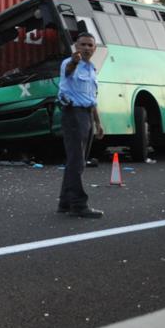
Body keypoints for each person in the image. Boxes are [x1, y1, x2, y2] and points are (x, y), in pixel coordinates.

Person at [56, 32, 105, 218]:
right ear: (76, 46)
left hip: (86, 116)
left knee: (77, 161)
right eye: (82, 44)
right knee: (76, 161)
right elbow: (68, 71)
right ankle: (78, 205)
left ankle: (65, 202)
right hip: (73, 115)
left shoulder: (92, 69)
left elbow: (91, 99)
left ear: (94, 49)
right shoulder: (69, 63)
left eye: (89, 45)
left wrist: (98, 123)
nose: (86, 48)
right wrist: (75, 61)